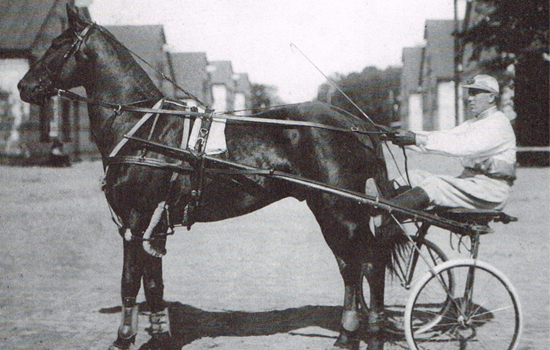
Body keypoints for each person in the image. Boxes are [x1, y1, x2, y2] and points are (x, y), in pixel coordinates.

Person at [382, 74, 517, 217]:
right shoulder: (474, 123)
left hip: (490, 190)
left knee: (434, 185)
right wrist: (397, 136)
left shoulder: (498, 124)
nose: (470, 98)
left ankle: (383, 219)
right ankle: (376, 200)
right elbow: (445, 136)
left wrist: (416, 139)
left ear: (491, 97)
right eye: (470, 93)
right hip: (472, 184)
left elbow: (459, 145)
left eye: (475, 93)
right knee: (414, 177)